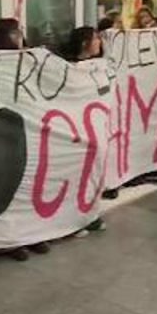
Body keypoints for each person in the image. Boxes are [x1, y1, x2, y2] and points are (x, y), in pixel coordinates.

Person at [0, 19, 52, 261]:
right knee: (6, 184)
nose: (20, 36)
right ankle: (7, 239)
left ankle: (31, 233)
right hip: (2, 130)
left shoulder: (29, 57)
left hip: (29, 127)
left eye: (20, 31)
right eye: (15, 32)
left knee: (28, 184)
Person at [61, 27, 110, 236]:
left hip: (93, 131)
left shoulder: (100, 67)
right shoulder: (66, 68)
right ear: (84, 43)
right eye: (95, 38)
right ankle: (71, 220)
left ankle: (89, 215)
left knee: (92, 176)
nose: (99, 41)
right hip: (74, 132)